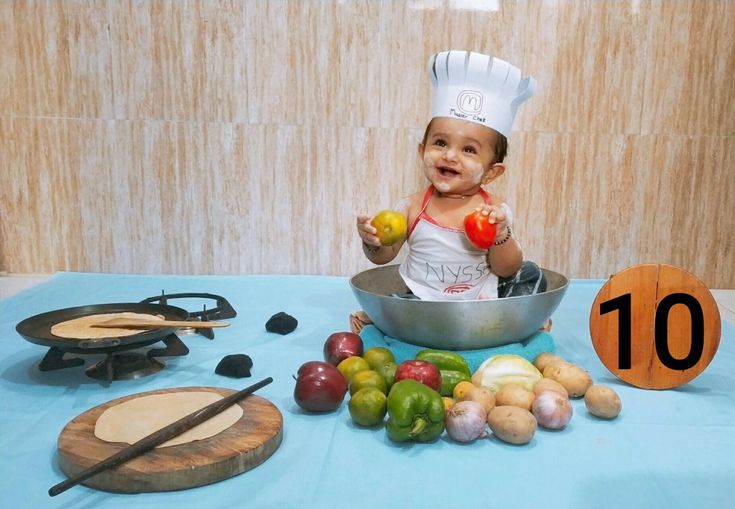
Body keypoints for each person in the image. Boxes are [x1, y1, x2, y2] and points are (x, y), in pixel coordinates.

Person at [356, 50, 546, 301]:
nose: (450, 156)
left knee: (532, 273)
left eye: (469, 150)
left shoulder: (494, 211)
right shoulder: (411, 207)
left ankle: (510, 318)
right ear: (422, 150)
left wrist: (501, 236)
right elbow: (383, 258)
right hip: (424, 301)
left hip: (480, 301)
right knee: (394, 303)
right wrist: (373, 241)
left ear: (491, 172)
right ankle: (399, 317)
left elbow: (506, 269)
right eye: (441, 143)